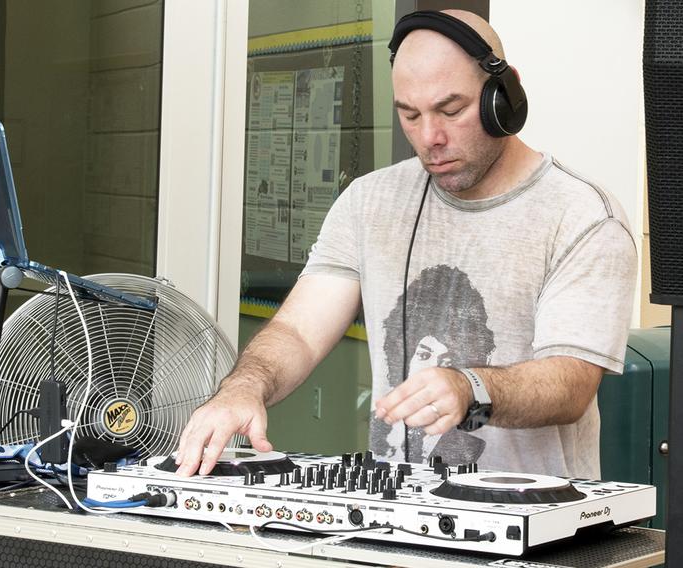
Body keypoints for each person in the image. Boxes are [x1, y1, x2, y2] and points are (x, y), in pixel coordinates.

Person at [175, 9, 636, 479]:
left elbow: (571, 384)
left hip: (535, 521)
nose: (430, 137)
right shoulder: (369, 202)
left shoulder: (583, 215)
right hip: (401, 516)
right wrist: (243, 388)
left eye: (451, 110)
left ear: (505, 96)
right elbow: (297, 332)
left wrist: (468, 388)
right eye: (410, 115)